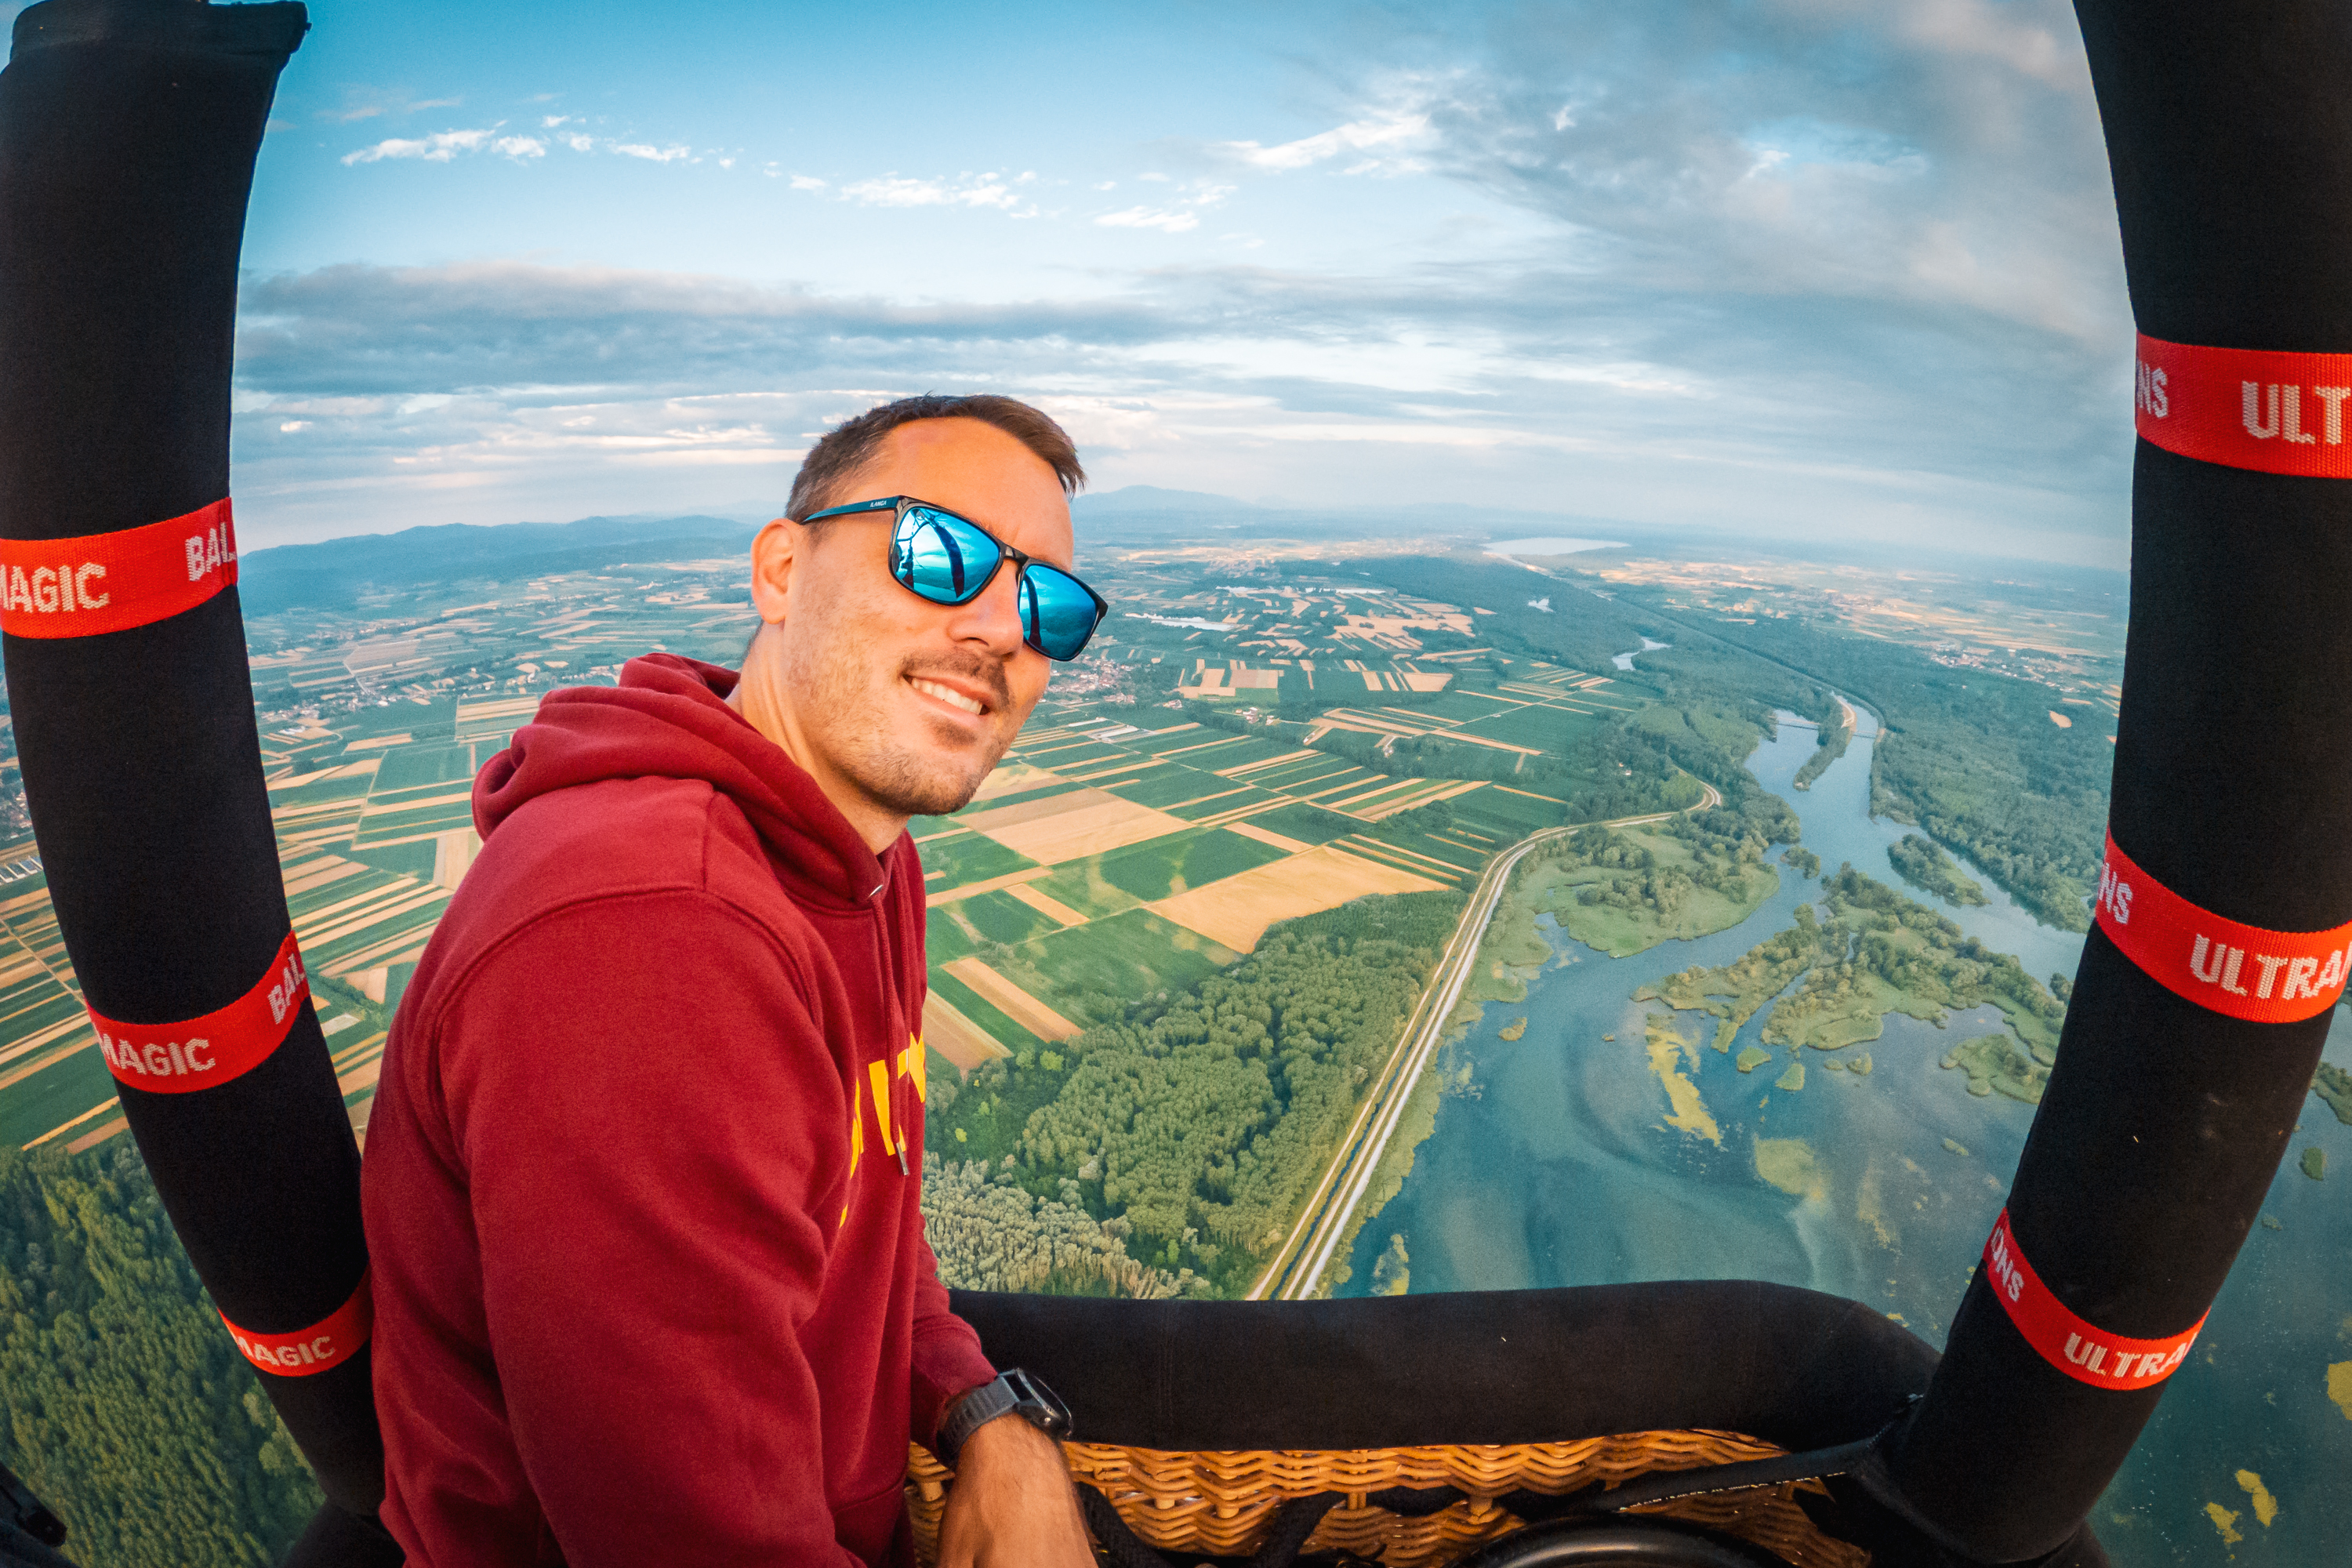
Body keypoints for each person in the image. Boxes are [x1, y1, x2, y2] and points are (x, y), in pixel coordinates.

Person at [360, 394, 1104, 1566]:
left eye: (1047, 605)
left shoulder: (861, 860)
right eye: (940, 552)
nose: (1000, 629)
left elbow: (865, 1215)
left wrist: (981, 1413)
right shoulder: (653, 934)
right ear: (781, 570)